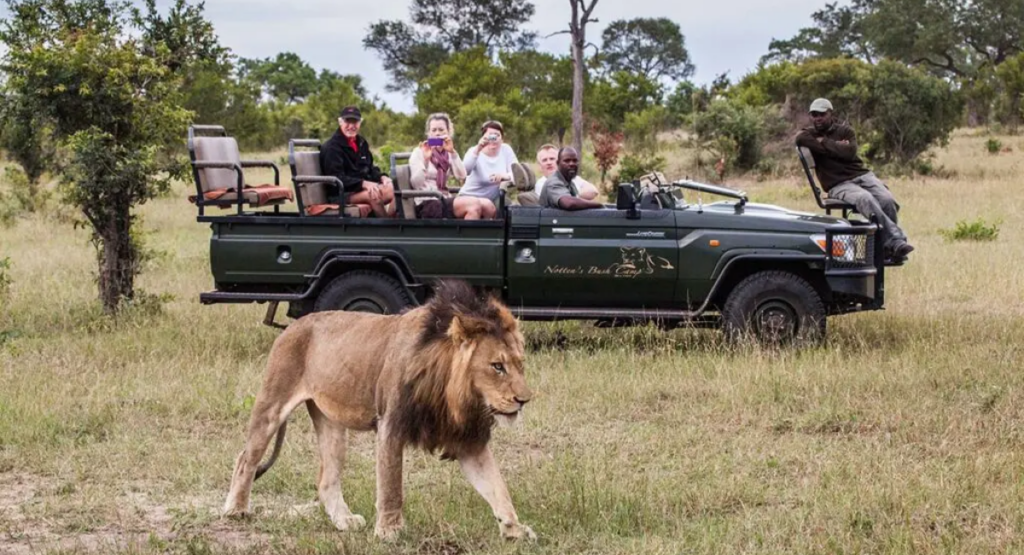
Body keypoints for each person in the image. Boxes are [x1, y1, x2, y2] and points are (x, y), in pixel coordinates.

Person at [796, 98, 914, 260]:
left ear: (831, 114)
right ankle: (895, 241)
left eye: (822, 114)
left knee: (887, 200)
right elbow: (799, 138)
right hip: (838, 184)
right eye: (814, 115)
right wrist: (837, 146)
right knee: (865, 199)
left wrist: (824, 143)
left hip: (862, 175)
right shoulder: (808, 134)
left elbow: (849, 152)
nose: (818, 118)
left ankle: (886, 249)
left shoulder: (846, 131)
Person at [409, 113, 489, 219]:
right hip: (426, 202)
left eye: (441, 130)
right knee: (473, 205)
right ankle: (464, 235)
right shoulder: (419, 152)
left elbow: (462, 176)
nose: (437, 134)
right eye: (434, 130)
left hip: (444, 198)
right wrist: (426, 160)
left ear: (448, 132)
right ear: (428, 133)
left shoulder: (448, 153)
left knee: (488, 206)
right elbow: (416, 184)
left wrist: (452, 152)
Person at [320, 106, 395, 218]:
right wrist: (363, 184)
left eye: (354, 122)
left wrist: (382, 177)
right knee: (373, 195)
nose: (351, 126)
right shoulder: (332, 147)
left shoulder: (361, 142)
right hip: (340, 194)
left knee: (395, 189)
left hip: (358, 190)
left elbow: (369, 168)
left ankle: (392, 223)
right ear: (340, 121)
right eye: (347, 121)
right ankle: (388, 230)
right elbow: (336, 179)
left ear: (360, 123)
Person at [459, 120, 514, 217]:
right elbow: (464, 171)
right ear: (483, 137)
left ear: (502, 139)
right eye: (490, 136)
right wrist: (478, 149)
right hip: (470, 197)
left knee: (507, 206)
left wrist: (504, 176)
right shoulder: (474, 150)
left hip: (494, 198)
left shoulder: (506, 150)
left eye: (497, 135)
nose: (493, 139)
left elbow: (516, 173)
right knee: (483, 207)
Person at [519, 144, 599, 206]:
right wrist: (575, 198)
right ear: (540, 166)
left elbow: (593, 191)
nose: (549, 162)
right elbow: (568, 203)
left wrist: (576, 196)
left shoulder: (570, 178)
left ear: (558, 162)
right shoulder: (543, 184)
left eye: (552, 159)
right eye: (544, 160)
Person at [540, 147, 604, 211]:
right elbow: (569, 203)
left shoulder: (569, 183)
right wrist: (598, 205)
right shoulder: (553, 182)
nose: (572, 164)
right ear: (558, 163)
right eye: (567, 161)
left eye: (575, 161)